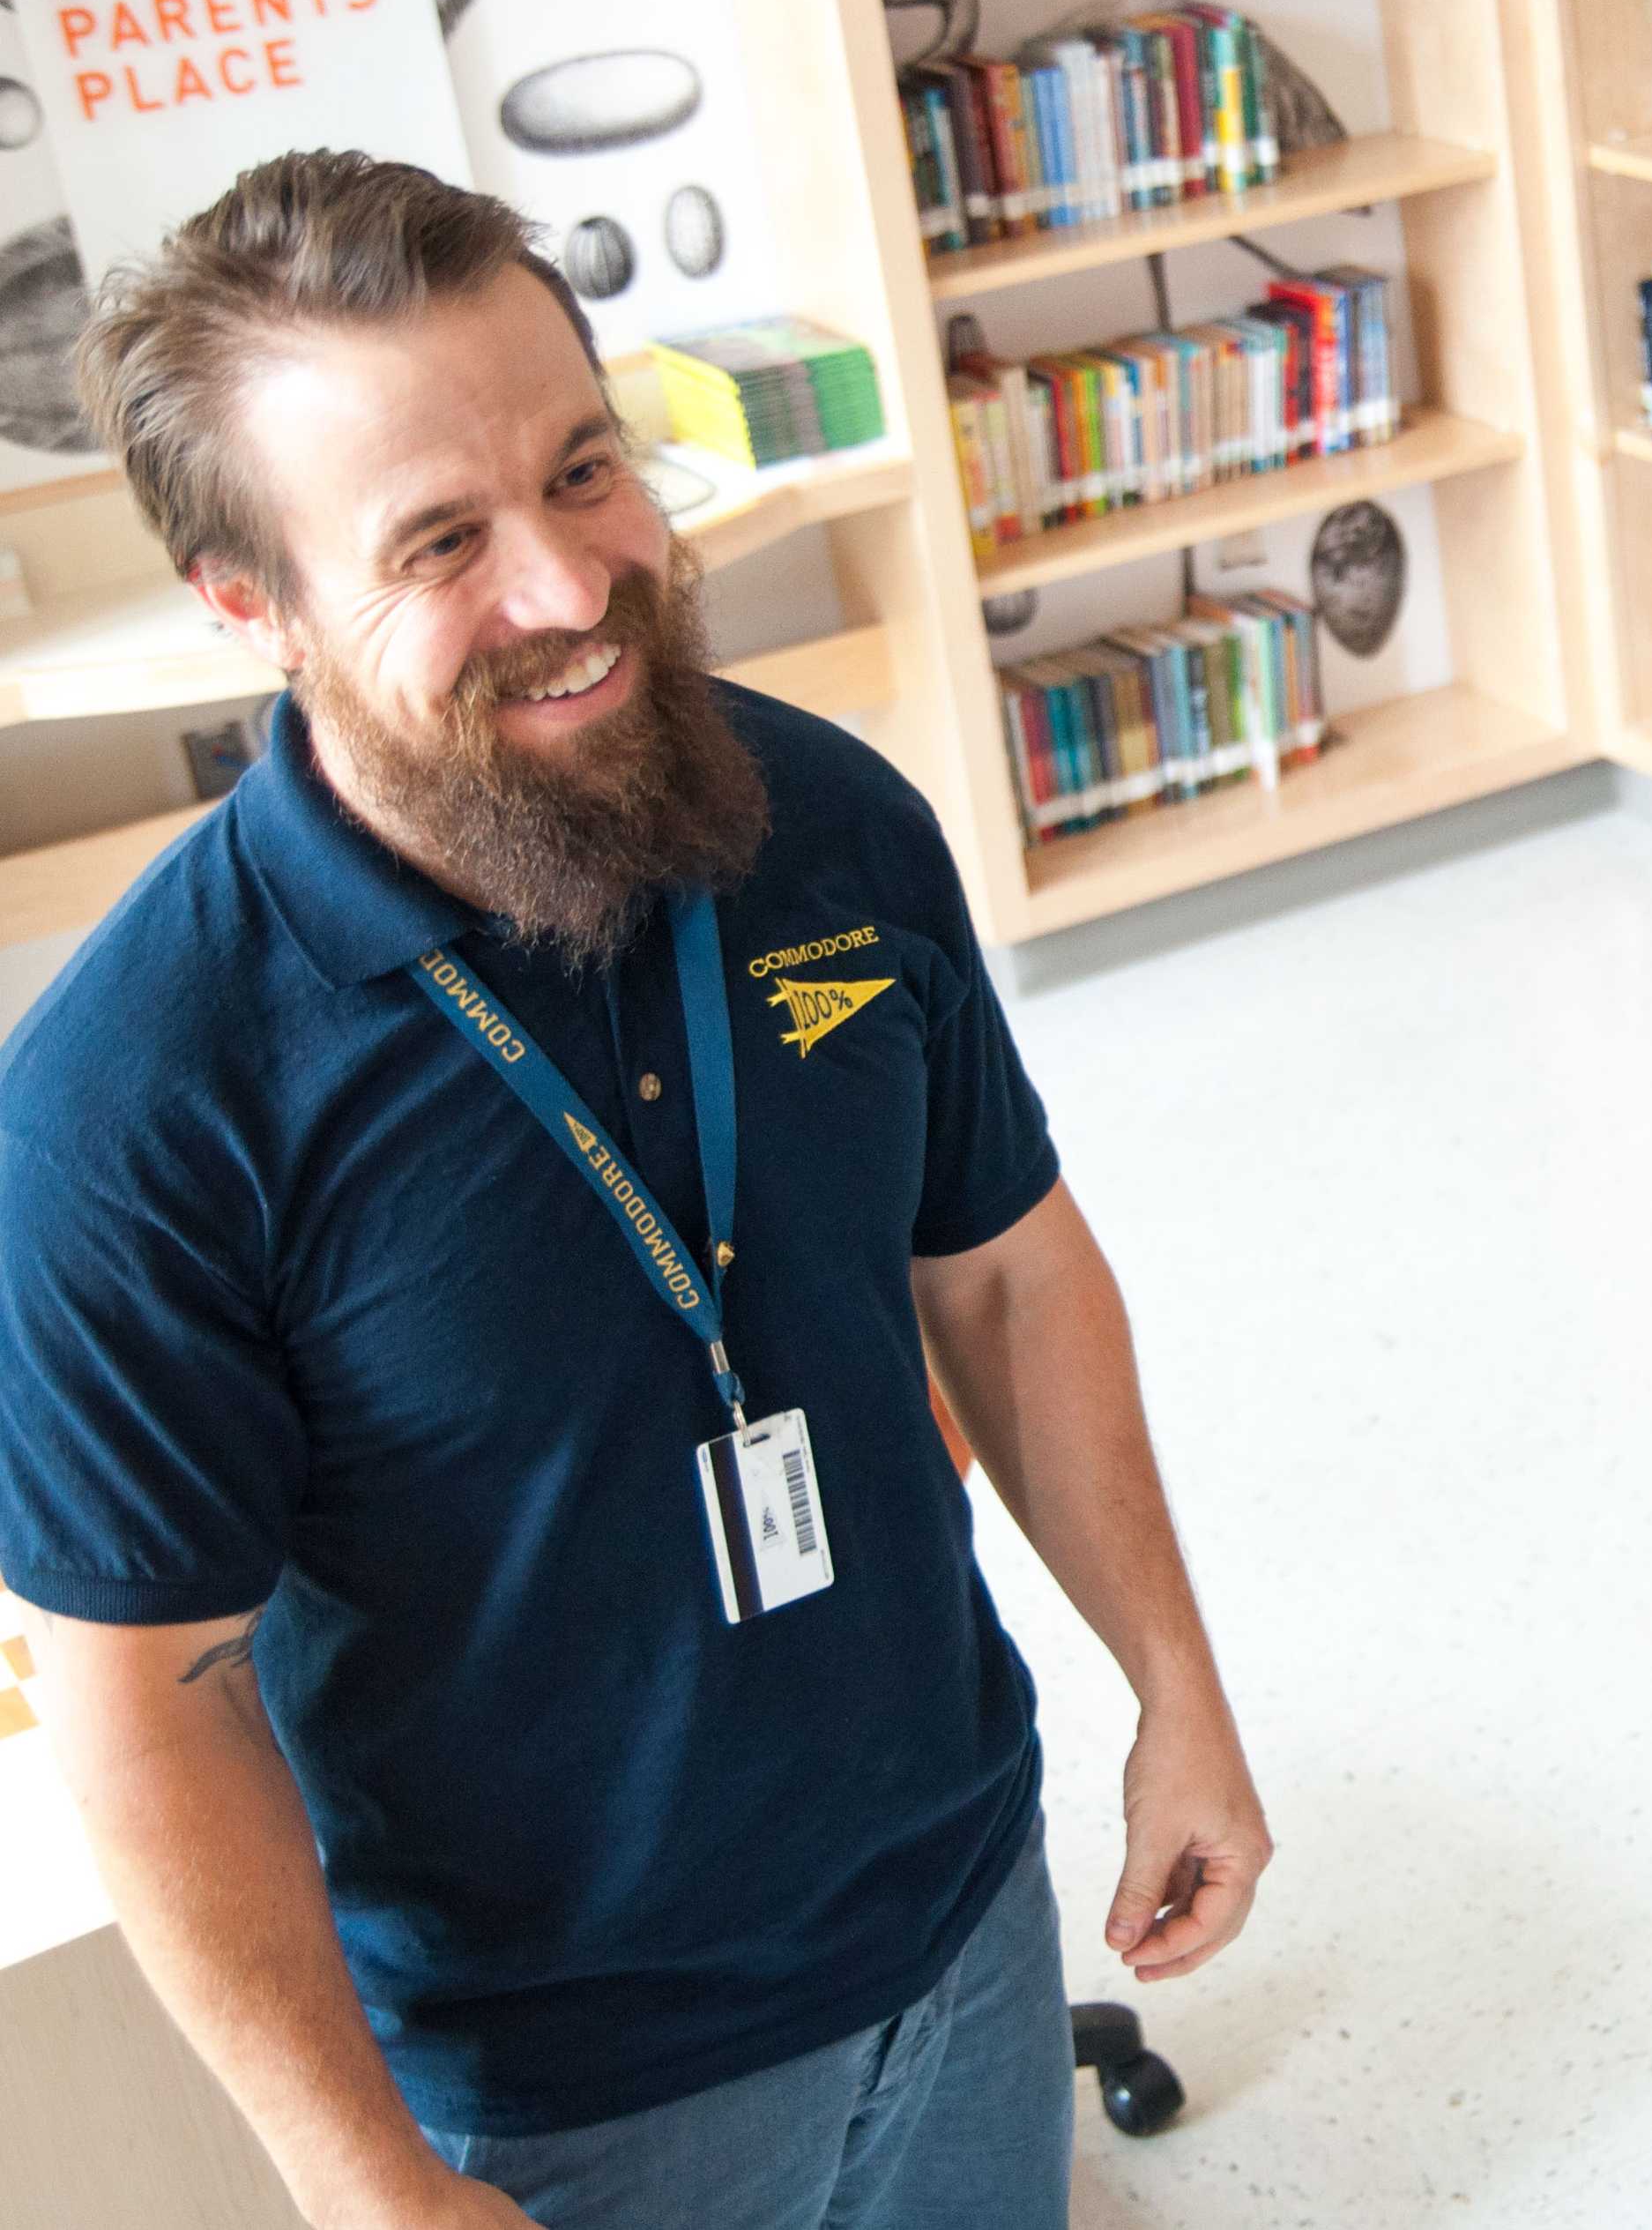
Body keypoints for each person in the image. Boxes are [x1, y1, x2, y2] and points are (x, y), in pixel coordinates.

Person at [0, 152, 1269, 2230]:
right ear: (255, 603)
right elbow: (148, 1693)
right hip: (561, 2088)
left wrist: (1176, 1690)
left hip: (961, 1910)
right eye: (439, 543)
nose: (572, 588)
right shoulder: (132, 1105)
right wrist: (365, 2182)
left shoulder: (831, 824)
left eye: (584, 470)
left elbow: (1011, 1280)